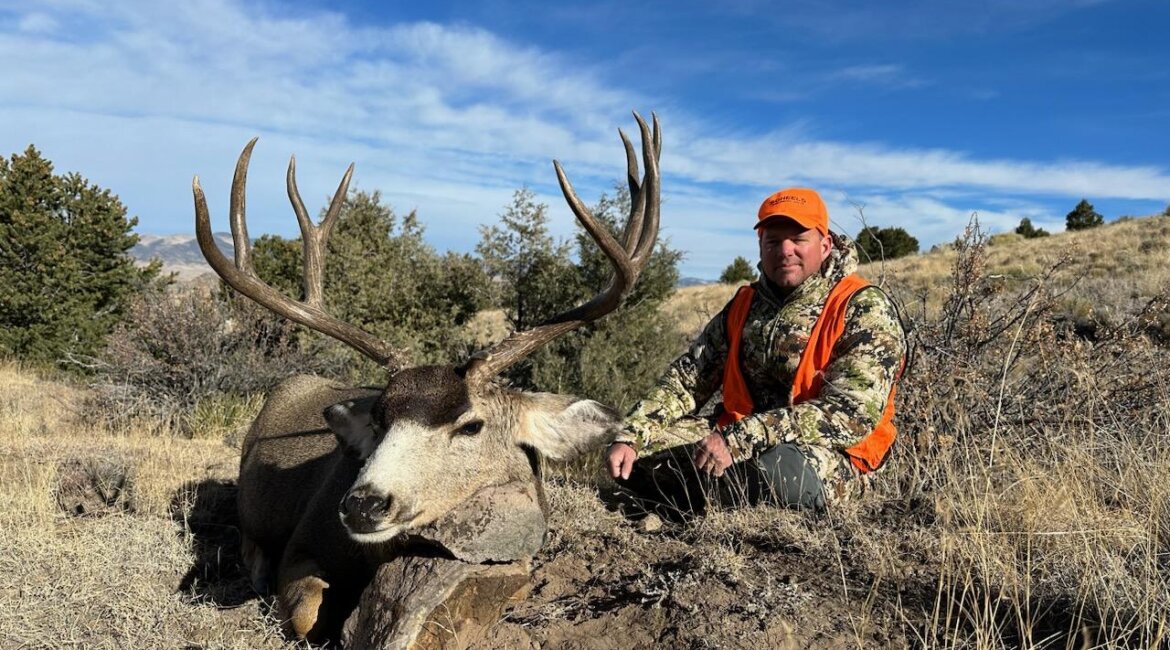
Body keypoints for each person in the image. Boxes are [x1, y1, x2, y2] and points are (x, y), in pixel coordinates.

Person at [606, 188, 906, 513]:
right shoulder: (745, 304)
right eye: (773, 241)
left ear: (825, 244)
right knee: (634, 459)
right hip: (739, 439)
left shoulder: (863, 306)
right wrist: (632, 434)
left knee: (780, 474)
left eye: (798, 239)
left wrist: (739, 439)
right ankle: (707, 495)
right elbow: (687, 380)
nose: (785, 251)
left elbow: (851, 414)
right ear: (760, 246)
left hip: (831, 453)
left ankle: (706, 497)